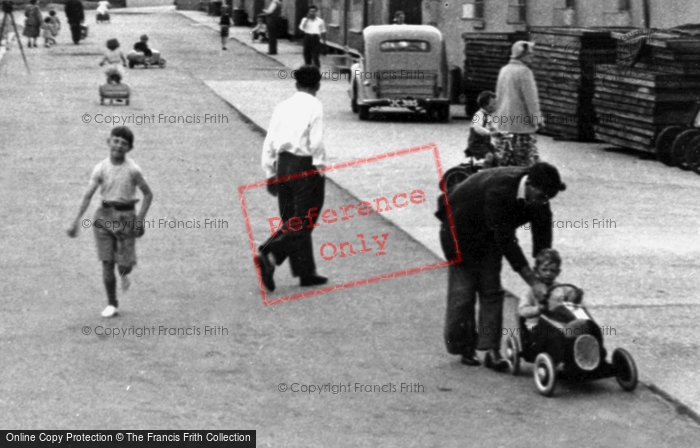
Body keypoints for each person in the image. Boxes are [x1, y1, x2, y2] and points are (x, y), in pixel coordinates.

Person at [437, 162, 566, 369]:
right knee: (463, 295)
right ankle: (464, 347)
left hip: (490, 235)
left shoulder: (541, 198)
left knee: (491, 291)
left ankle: (491, 350)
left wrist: (544, 273)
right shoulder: (501, 190)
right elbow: (506, 241)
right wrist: (533, 282)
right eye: (541, 197)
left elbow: (542, 238)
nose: (544, 203)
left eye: (548, 199)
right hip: (459, 233)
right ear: (530, 186)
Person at [67, 126, 154, 318]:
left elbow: (148, 194)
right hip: (104, 217)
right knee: (107, 262)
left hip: (126, 218)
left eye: (124, 144)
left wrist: (140, 220)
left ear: (129, 148)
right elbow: (88, 195)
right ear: (109, 142)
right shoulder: (101, 168)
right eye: (115, 141)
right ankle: (112, 303)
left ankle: (124, 273)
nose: (118, 146)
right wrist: (76, 220)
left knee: (124, 265)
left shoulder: (133, 170)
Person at [257, 65, 328, 292]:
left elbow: (270, 140)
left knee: (291, 220)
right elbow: (315, 141)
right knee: (305, 219)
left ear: (296, 84)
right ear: (318, 85)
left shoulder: (283, 106)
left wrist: (270, 173)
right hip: (304, 167)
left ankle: (306, 272)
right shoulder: (315, 105)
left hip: (283, 166)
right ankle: (270, 252)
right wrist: (319, 166)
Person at [494, 41, 544, 167]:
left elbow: (498, 96)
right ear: (522, 55)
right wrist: (537, 119)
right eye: (530, 54)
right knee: (525, 164)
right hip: (522, 127)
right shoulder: (524, 72)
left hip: (503, 124)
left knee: (505, 162)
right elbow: (531, 100)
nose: (532, 57)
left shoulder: (504, 70)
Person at [466, 90, 501, 168]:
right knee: (489, 156)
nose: (495, 106)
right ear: (485, 105)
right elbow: (477, 128)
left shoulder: (488, 115)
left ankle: (495, 174)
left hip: (485, 143)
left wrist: (500, 133)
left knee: (498, 157)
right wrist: (489, 133)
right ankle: (485, 176)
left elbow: (492, 127)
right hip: (476, 143)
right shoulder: (478, 115)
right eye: (493, 104)